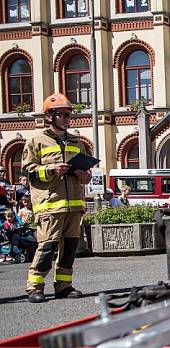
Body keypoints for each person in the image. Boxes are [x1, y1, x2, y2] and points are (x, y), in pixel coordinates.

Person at [21, 93, 91, 303]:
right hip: (50, 204)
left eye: (69, 115)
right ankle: (34, 287)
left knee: (69, 248)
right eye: (62, 114)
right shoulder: (36, 140)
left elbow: (87, 176)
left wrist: (84, 175)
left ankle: (64, 286)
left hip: (74, 205)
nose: (67, 118)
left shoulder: (76, 141)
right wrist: (52, 169)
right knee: (47, 247)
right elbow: (28, 172)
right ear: (49, 116)